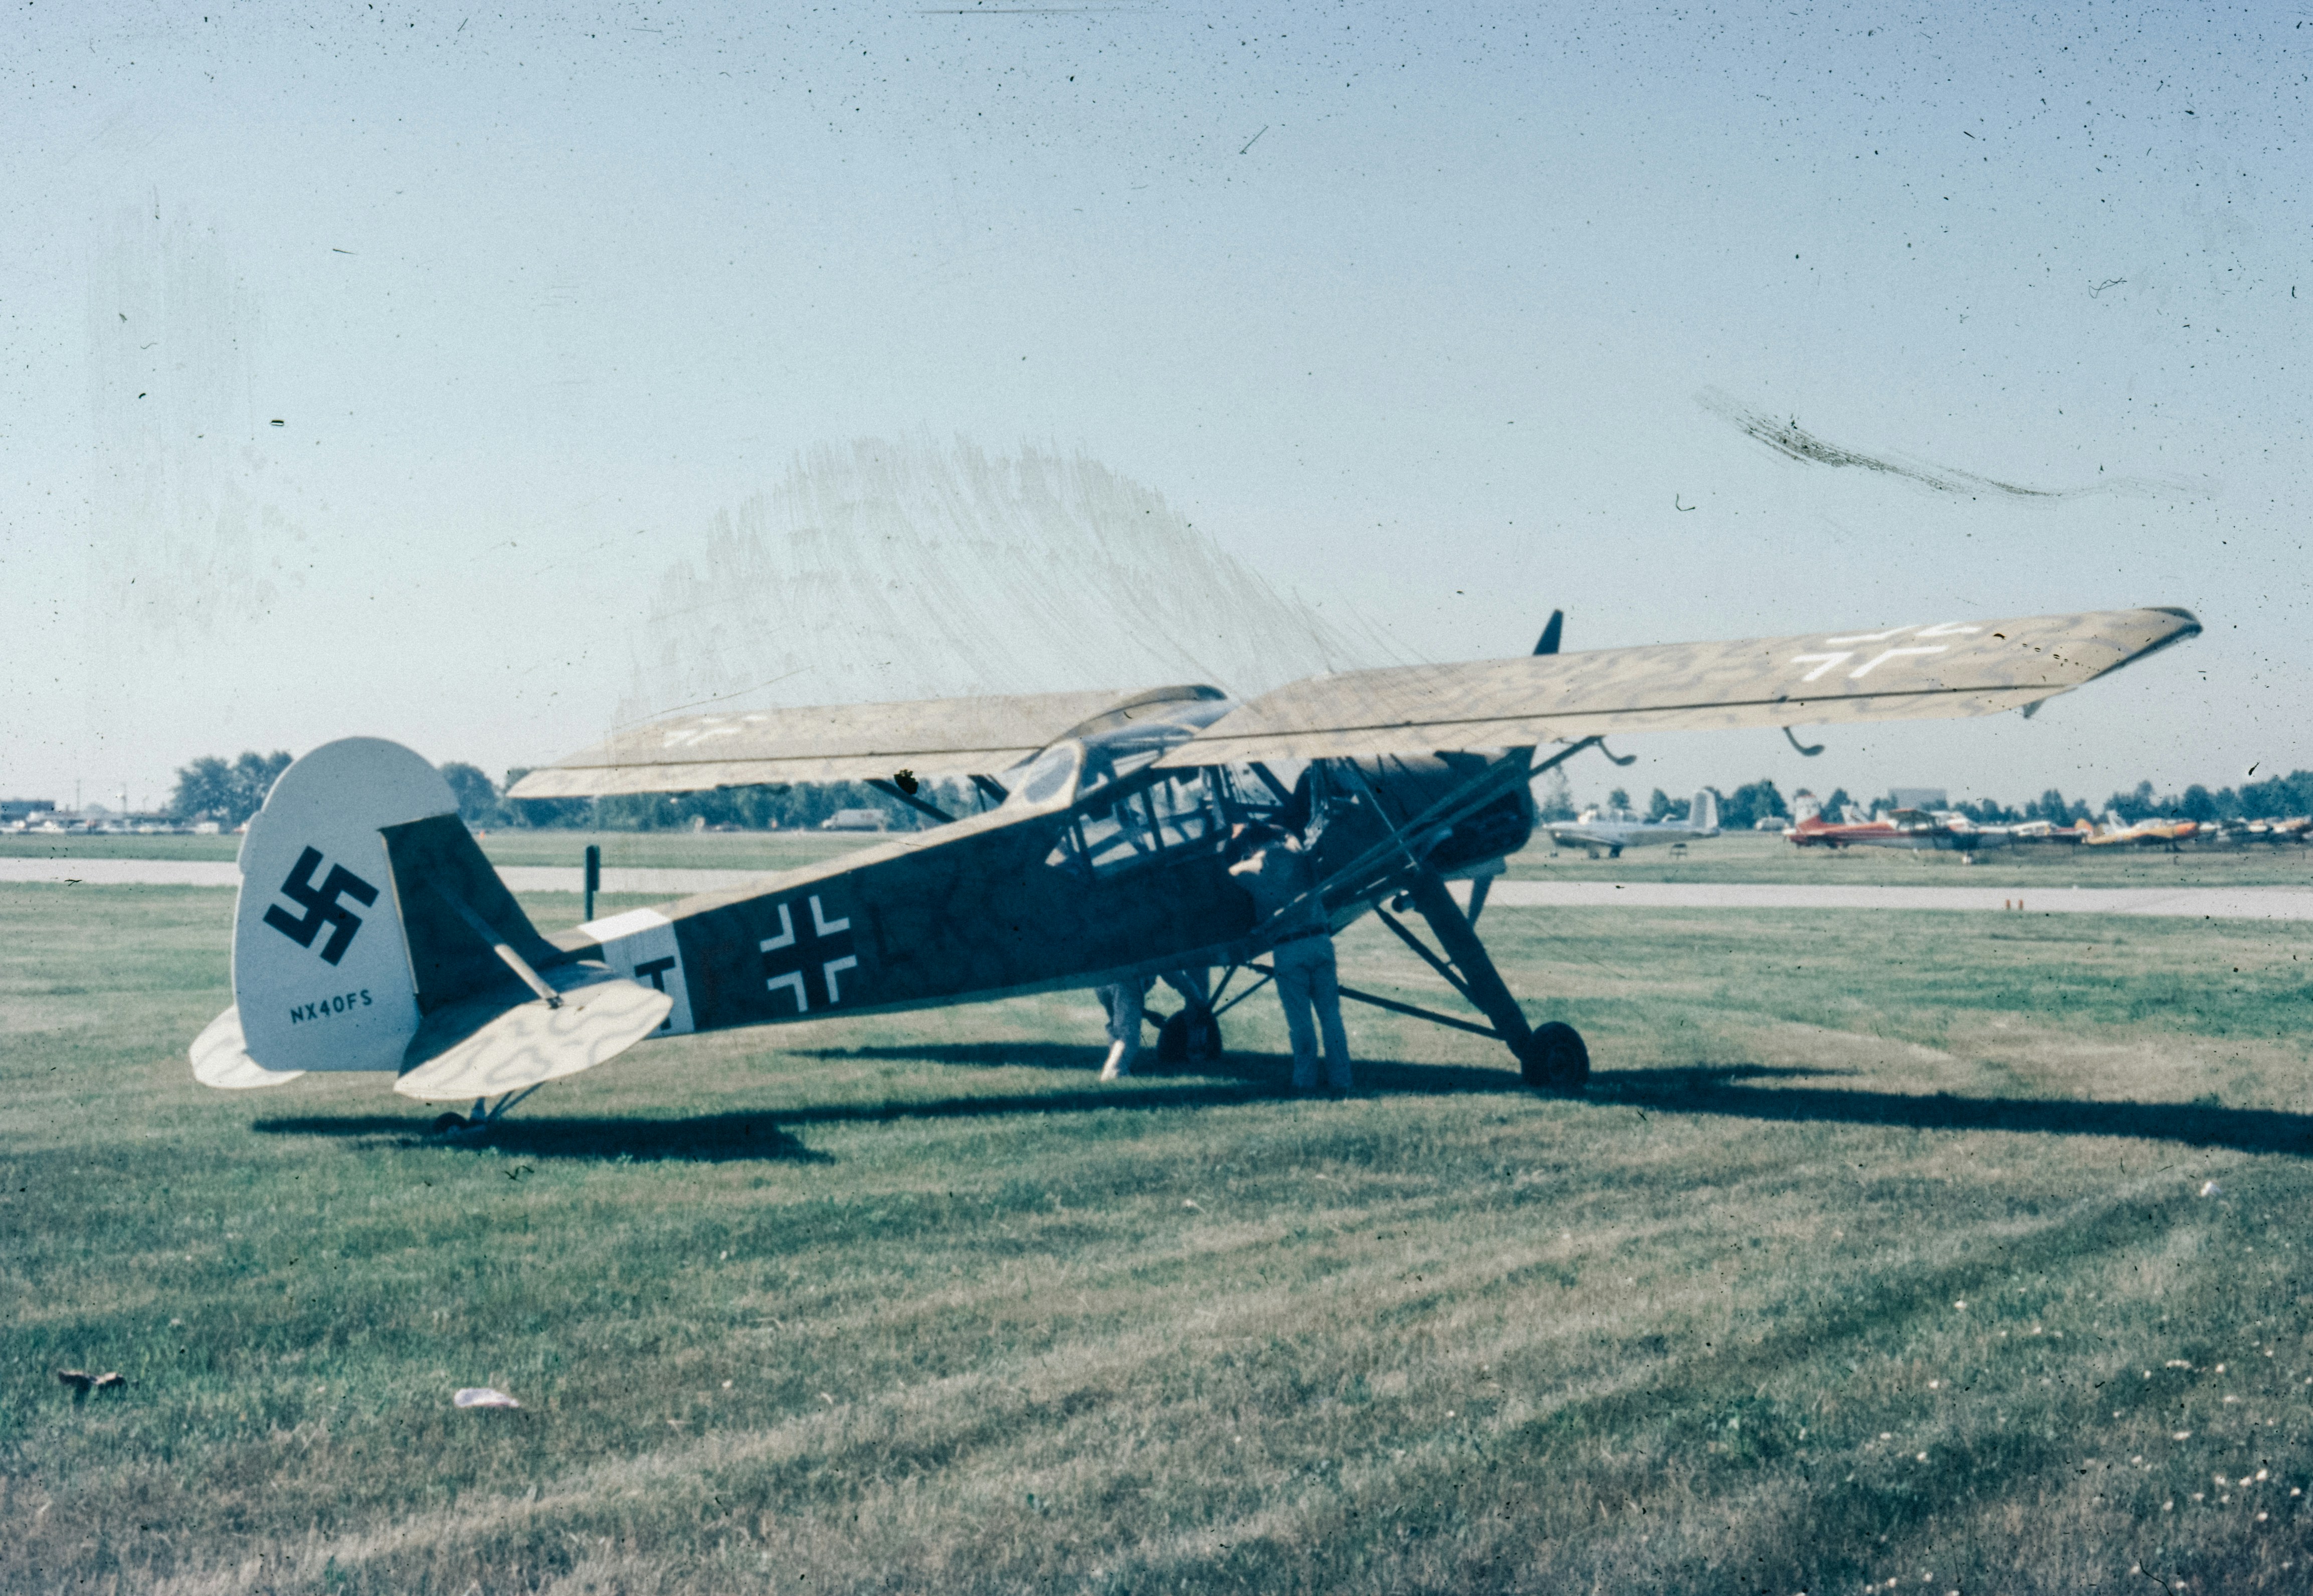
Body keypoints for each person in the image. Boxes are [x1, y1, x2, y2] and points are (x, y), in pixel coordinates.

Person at [1225, 822, 1351, 1094]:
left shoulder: (1249, 868)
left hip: (1288, 946)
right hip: (1320, 939)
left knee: (1300, 1020)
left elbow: (1229, 873)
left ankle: (1304, 1081)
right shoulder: (1299, 855)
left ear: (1249, 845)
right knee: (1331, 1017)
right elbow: (1290, 836)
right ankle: (1342, 1080)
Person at [1094, 975, 1152, 1081]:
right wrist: (1192, 995)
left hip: (1102, 983)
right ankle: (1116, 1072)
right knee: (1128, 1032)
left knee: (1115, 1027)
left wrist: (1148, 1014)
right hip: (1127, 980)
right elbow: (1174, 974)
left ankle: (1116, 1063)